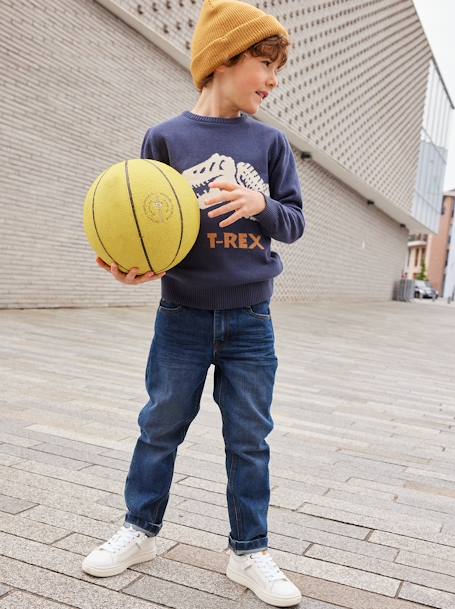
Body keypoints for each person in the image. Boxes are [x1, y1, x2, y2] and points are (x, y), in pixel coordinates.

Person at [82, 0, 305, 605]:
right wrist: (138, 270)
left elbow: (295, 223)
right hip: (180, 316)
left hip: (252, 319)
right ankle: (140, 530)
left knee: (249, 436)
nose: (273, 78)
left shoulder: (271, 143)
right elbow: (148, 228)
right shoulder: (165, 138)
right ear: (224, 60)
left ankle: (249, 550)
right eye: (264, 63)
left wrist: (260, 206)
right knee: (159, 427)